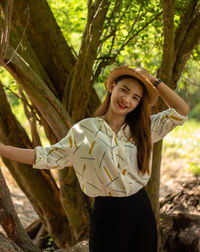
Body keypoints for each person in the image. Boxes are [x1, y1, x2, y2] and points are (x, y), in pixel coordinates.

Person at [0, 66, 189, 252]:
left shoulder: (145, 128)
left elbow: (181, 110)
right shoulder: (85, 130)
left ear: (139, 104)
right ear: (111, 87)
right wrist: (3, 149)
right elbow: (47, 156)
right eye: (124, 90)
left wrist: (154, 81)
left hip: (141, 210)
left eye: (135, 98)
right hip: (107, 212)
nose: (127, 99)